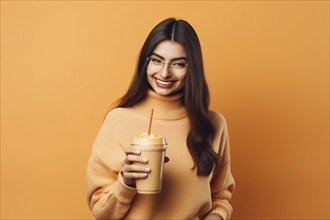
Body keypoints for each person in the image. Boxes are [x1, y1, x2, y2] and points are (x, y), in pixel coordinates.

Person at [86, 18, 235, 220]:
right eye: (156, 60)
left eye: (178, 64)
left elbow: (220, 198)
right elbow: (102, 212)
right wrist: (126, 182)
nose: (165, 73)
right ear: (145, 62)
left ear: (192, 68)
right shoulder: (118, 120)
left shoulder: (213, 124)